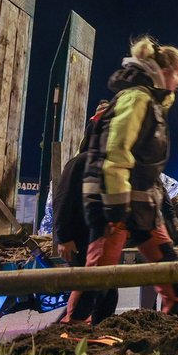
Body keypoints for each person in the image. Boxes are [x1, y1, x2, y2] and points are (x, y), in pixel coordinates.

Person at [64, 36, 178, 323]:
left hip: (139, 206)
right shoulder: (137, 99)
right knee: (98, 275)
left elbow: (144, 169)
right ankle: (70, 331)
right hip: (115, 206)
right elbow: (116, 154)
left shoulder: (150, 102)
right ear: (164, 71)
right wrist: (115, 209)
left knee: (167, 264)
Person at [53, 99, 118, 322]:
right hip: (80, 241)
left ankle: (96, 331)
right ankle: (69, 332)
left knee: (106, 293)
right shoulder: (80, 163)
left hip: (99, 240)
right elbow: (63, 200)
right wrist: (64, 237)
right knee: (89, 292)